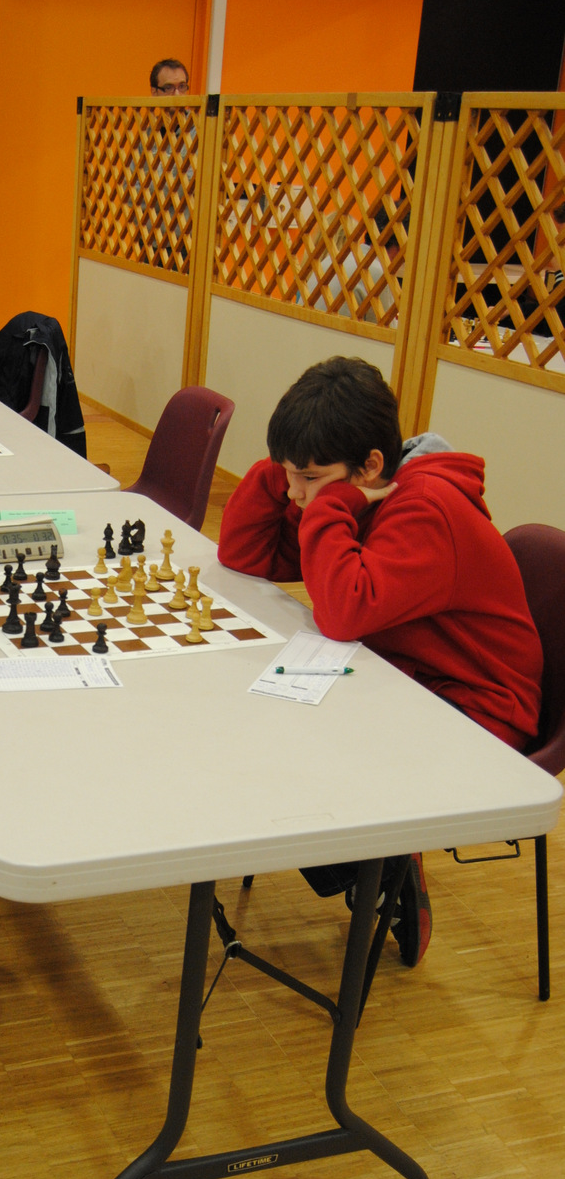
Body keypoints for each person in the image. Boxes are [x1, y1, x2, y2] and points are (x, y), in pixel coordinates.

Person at [218, 356, 543, 964]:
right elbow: (246, 554)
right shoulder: (363, 490)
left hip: (475, 711)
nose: (296, 494)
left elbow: (344, 611)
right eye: (291, 476)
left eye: (309, 477)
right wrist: (285, 471)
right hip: (401, 677)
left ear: (369, 466)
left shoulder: (426, 508)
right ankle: (374, 860)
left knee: (292, 751)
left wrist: (330, 506)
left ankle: (386, 863)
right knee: (262, 725)